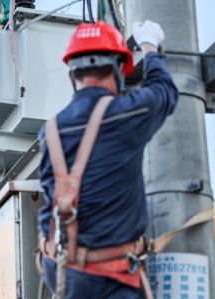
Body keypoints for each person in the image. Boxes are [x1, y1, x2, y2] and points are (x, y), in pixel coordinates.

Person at [37, 20, 178, 298]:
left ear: (71, 75)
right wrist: (149, 45)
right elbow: (164, 91)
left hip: (61, 270)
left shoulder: (49, 131)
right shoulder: (126, 113)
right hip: (111, 279)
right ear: (119, 70)